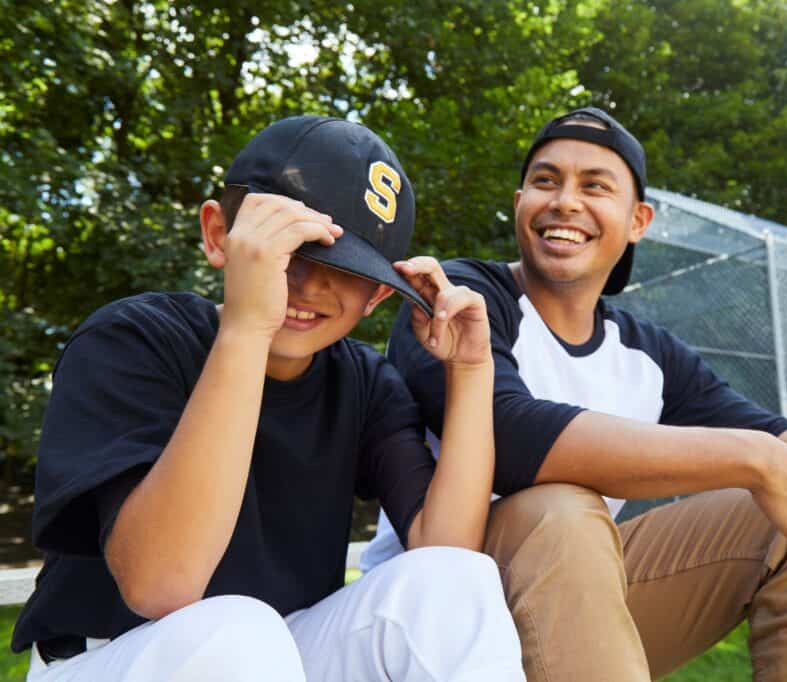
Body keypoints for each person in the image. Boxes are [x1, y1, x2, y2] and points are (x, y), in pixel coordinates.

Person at [364, 106, 787, 681]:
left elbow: (782, 441)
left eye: (594, 186)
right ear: (520, 201)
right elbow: (511, 435)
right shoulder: (465, 295)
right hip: (433, 617)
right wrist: (759, 461)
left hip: (574, 613)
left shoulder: (649, 353)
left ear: (638, 219)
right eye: (546, 181)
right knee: (560, 507)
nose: (565, 201)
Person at [12, 116, 525, 682]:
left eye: (345, 266)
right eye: (288, 247)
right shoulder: (133, 339)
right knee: (237, 632)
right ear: (219, 235)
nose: (308, 283)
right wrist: (248, 331)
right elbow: (162, 582)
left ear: (379, 293)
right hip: (117, 656)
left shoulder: (365, 383)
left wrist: (473, 369)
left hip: (281, 650)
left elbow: (444, 552)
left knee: (454, 580)